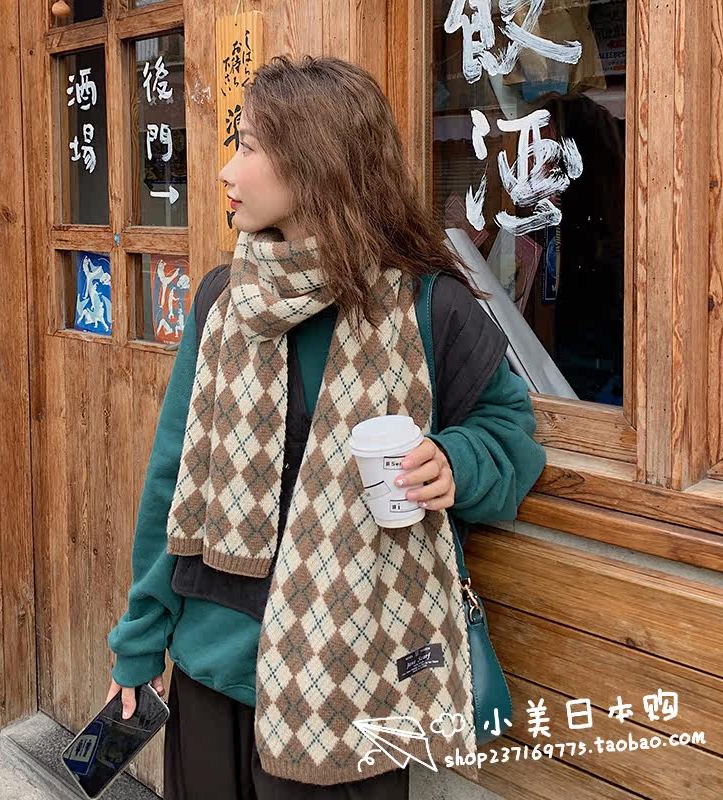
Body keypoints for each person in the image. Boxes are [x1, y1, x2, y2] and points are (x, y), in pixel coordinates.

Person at [106, 55, 547, 798]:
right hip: (214, 667)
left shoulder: (429, 308)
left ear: (315, 163)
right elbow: (170, 476)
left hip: (353, 681)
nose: (225, 171)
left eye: (247, 147)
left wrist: (454, 460)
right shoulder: (225, 301)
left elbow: (510, 432)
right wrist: (141, 639)